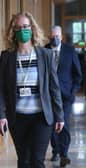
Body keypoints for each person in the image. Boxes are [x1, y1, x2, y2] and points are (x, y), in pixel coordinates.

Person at [0, 12, 64, 168]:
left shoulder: (45, 55)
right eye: (18, 27)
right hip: (17, 117)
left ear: (32, 28)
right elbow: (1, 89)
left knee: (37, 160)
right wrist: (1, 115)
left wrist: (60, 115)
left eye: (26, 26)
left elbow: (54, 87)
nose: (23, 30)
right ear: (13, 31)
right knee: (23, 161)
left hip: (41, 117)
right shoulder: (7, 57)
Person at [45, 26, 82, 167]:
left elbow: (78, 74)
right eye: (52, 36)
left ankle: (64, 154)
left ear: (61, 36)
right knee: (52, 124)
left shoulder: (70, 50)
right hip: (49, 96)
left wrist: (73, 92)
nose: (54, 38)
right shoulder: (45, 50)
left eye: (57, 36)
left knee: (63, 123)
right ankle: (55, 150)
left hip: (66, 96)